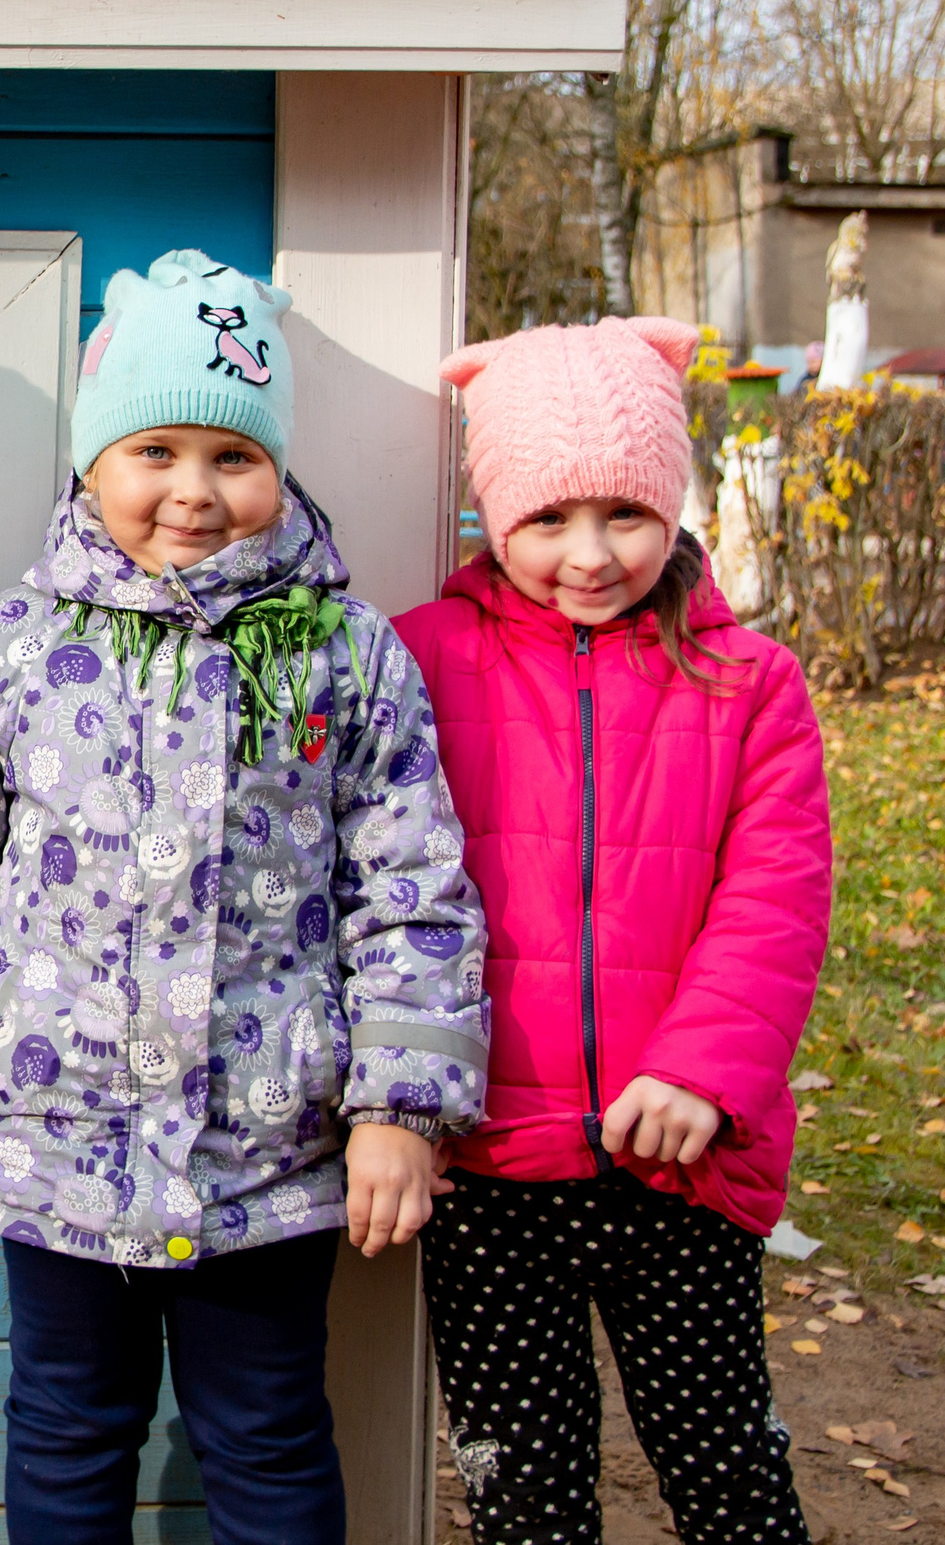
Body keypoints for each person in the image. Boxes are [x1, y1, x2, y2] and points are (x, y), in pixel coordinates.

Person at [0, 250, 489, 1545]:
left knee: (269, 1432)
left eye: (233, 455)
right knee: (67, 1424)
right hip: (56, 1136)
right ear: (93, 462)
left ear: (277, 466)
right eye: (154, 450)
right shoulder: (15, 647)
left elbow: (411, 884)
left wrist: (400, 1107)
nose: (193, 488)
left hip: (269, 1143)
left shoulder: (343, 651)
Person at [398, 316, 829, 1543]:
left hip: (680, 1159)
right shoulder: (419, 660)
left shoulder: (748, 682)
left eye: (625, 514)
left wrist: (703, 1072)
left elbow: (775, 895)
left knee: (727, 1472)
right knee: (523, 1492)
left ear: (671, 503)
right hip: (488, 1166)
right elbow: (374, 887)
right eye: (547, 518)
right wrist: (404, 1096)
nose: (588, 555)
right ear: (494, 514)